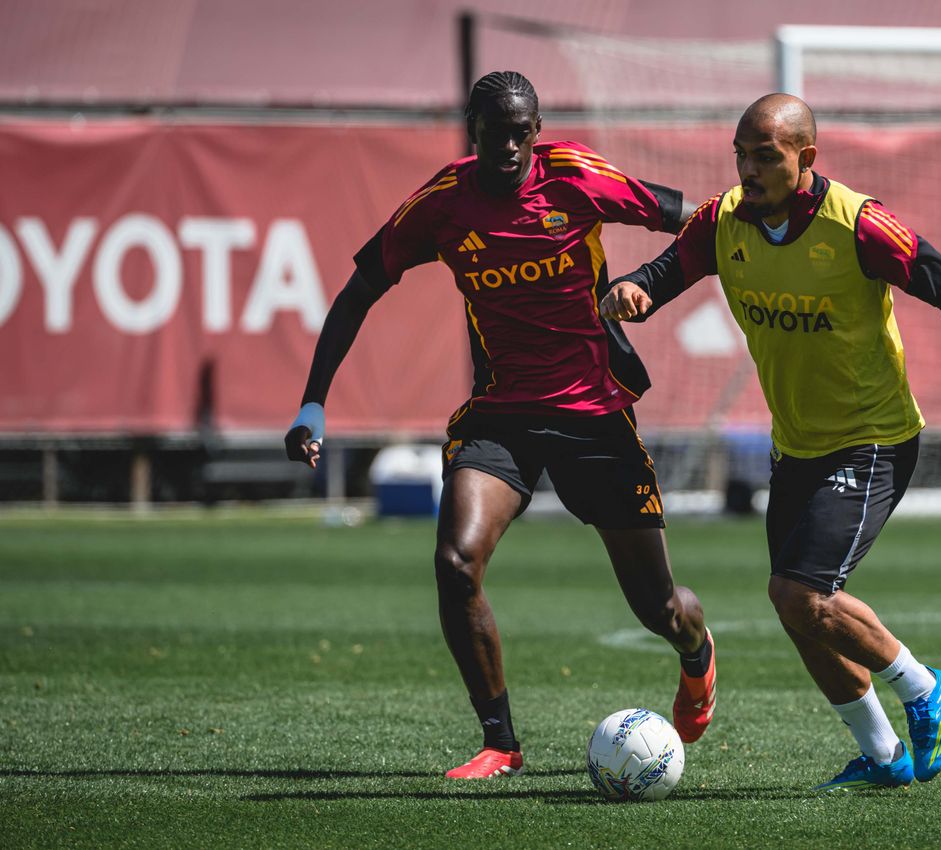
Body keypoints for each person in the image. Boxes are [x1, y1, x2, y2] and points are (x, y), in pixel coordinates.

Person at [283, 71, 717, 779]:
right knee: (455, 562)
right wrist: (313, 400)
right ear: (473, 127)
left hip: (594, 414)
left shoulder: (576, 178)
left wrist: (650, 285)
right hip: (502, 414)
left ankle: (696, 654)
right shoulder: (444, 204)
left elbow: (699, 223)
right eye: (495, 130)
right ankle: (500, 742)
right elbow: (361, 288)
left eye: (522, 131)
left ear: (537, 129)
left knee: (659, 606)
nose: (509, 144)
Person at [601, 93, 941, 791]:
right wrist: (634, 291)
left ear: (806, 159)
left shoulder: (857, 225)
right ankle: (884, 756)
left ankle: (925, 688)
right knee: (797, 610)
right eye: (740, 154)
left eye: (765, 156)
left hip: (874, 439)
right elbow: (665, 272)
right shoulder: (722, 221)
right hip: (795, 445)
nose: (748, 169)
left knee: (804, 596)